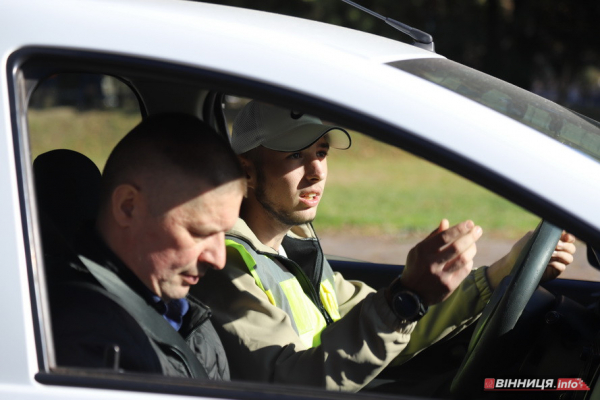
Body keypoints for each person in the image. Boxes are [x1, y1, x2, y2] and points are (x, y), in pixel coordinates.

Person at [192, 100, 576, 391]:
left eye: (321, 152)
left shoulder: (294, 251)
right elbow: (291, 382)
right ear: (246, 171)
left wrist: (500, 273)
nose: (317, 171)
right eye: (296, 155)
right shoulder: (226, 266)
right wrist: (405, 295)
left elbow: (390, 328)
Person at [48, 114, 245, 380]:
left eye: (224, 233)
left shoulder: (183, 311)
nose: (219, 258)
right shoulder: (82, 341)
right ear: (128, 207)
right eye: (199, 232)